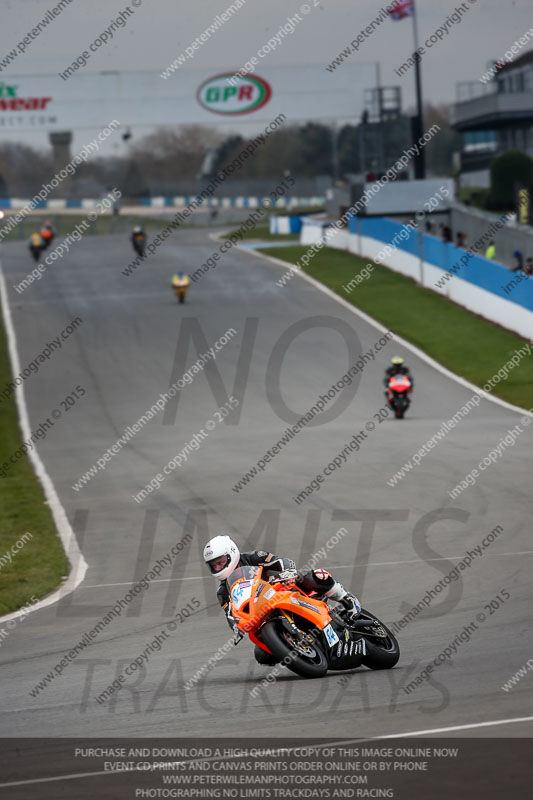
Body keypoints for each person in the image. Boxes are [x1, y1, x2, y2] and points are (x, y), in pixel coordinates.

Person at [203, 535, 361, 666]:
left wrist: (288, 572)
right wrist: (236, 627)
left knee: (314, 576)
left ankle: (347, 599)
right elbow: (230, 613)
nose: (218, 567)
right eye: (214, 565)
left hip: (286, 589)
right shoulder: (223, 592)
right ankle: (297, 649)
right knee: (262, 655)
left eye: (221, 562)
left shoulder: (253, 557)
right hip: (263, 612)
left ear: (231, 553)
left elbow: (281, 561)